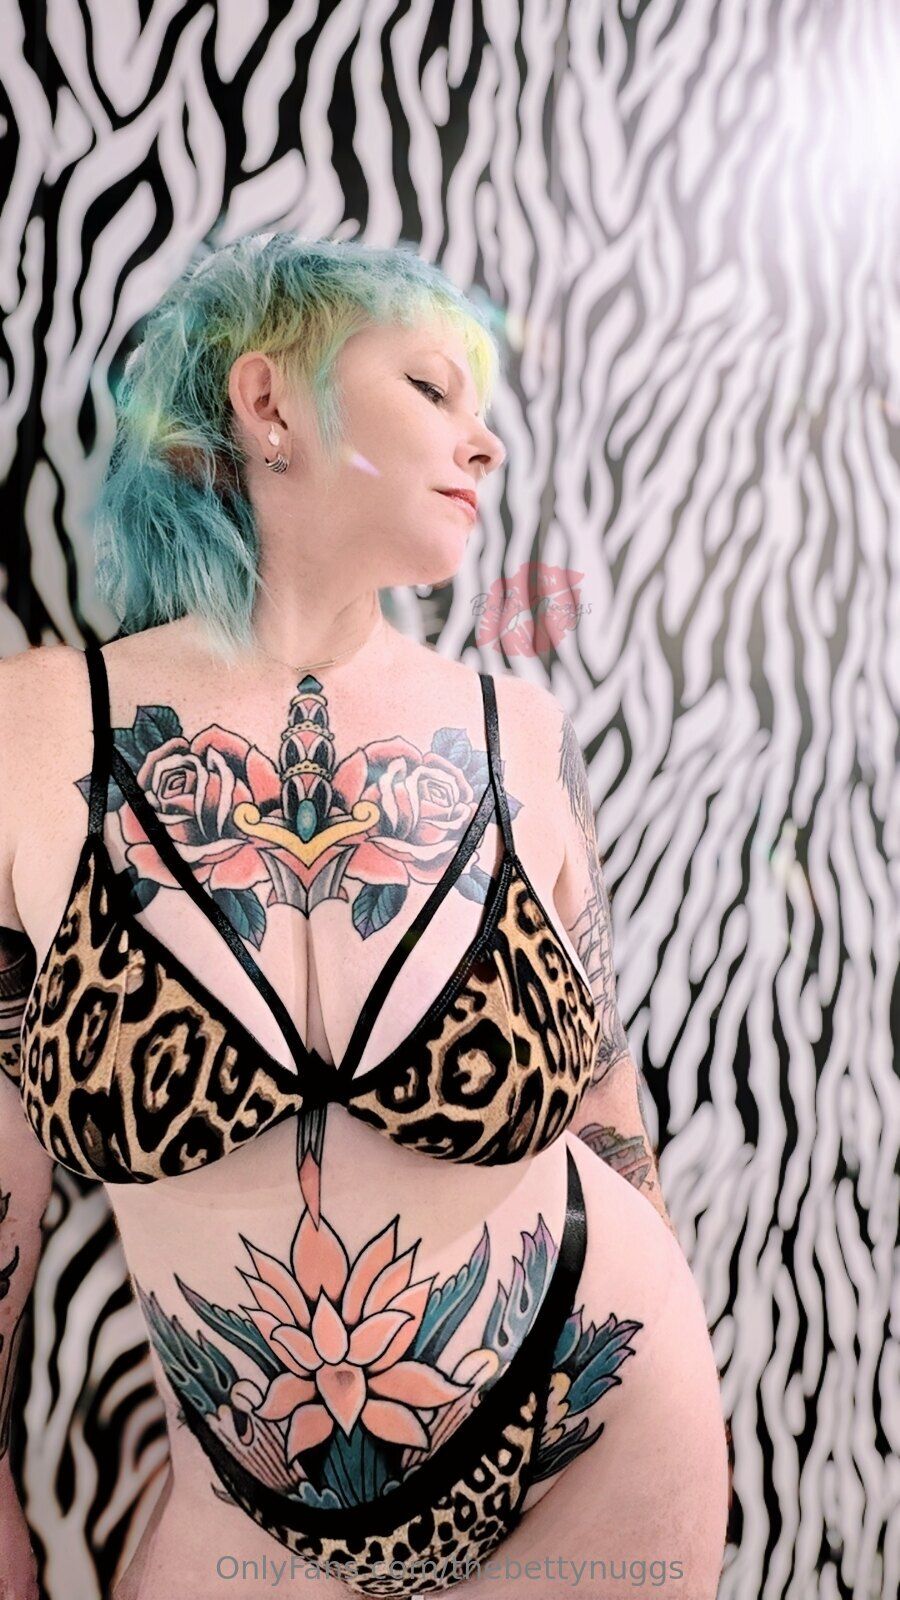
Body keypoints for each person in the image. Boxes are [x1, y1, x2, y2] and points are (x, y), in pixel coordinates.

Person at [0, 234, 728, 1599]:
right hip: (242, 1520)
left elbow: (603, 1102)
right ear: (270, 403)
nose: (486, 441)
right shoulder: (32, 733)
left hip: (598, 1458)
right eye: (433, 389)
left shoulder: (523, 735)